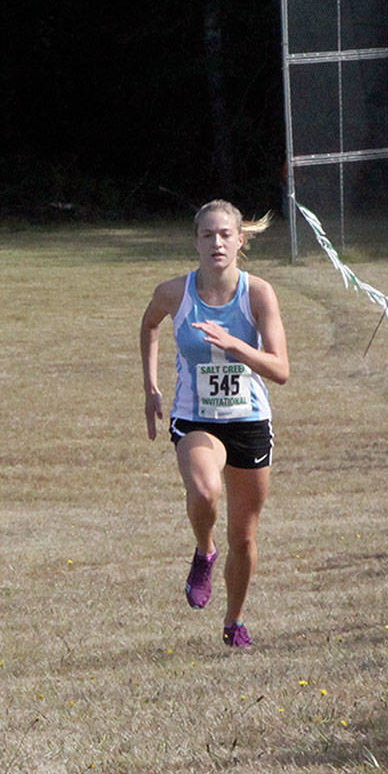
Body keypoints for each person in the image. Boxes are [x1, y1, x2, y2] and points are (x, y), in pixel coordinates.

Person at [140, 200, 289, 649]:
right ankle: (204, 550)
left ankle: (234, 620)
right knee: (205, 491)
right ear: (196, 242)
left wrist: (235, 346)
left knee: (243, 537)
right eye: (208, 235)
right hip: (195, 416)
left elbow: (280, 369)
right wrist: (150, 387)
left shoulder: (258, 293)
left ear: (240, 240)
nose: (217, 243)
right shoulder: (174, 292)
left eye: (225, 234)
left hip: (248, 420)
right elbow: (149, 326)